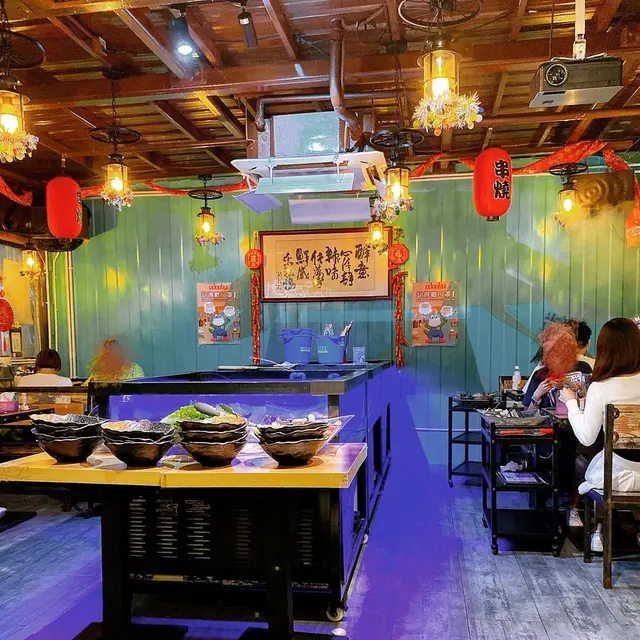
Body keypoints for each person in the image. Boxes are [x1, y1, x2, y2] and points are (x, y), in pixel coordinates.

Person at [559, 318, 640, 552]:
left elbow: (586, 436)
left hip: (617, 477)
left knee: (592, 461)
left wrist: (571, 403)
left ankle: (600, 530)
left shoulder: (601, 387)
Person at [523, 323, 592, 410]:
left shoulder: (584, 368)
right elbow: (528, 413)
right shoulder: (540, 374)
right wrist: (537, 395)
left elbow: (592, 402)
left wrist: (568, 384)